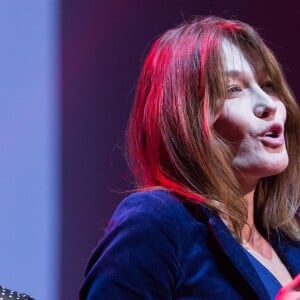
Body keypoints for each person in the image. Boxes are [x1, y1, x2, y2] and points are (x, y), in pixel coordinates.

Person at [80, 16, 300, 299]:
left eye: (268, 85)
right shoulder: (156, 221)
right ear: (187, 119)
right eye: (233, 89)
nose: (268, 104)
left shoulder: (290, 243)